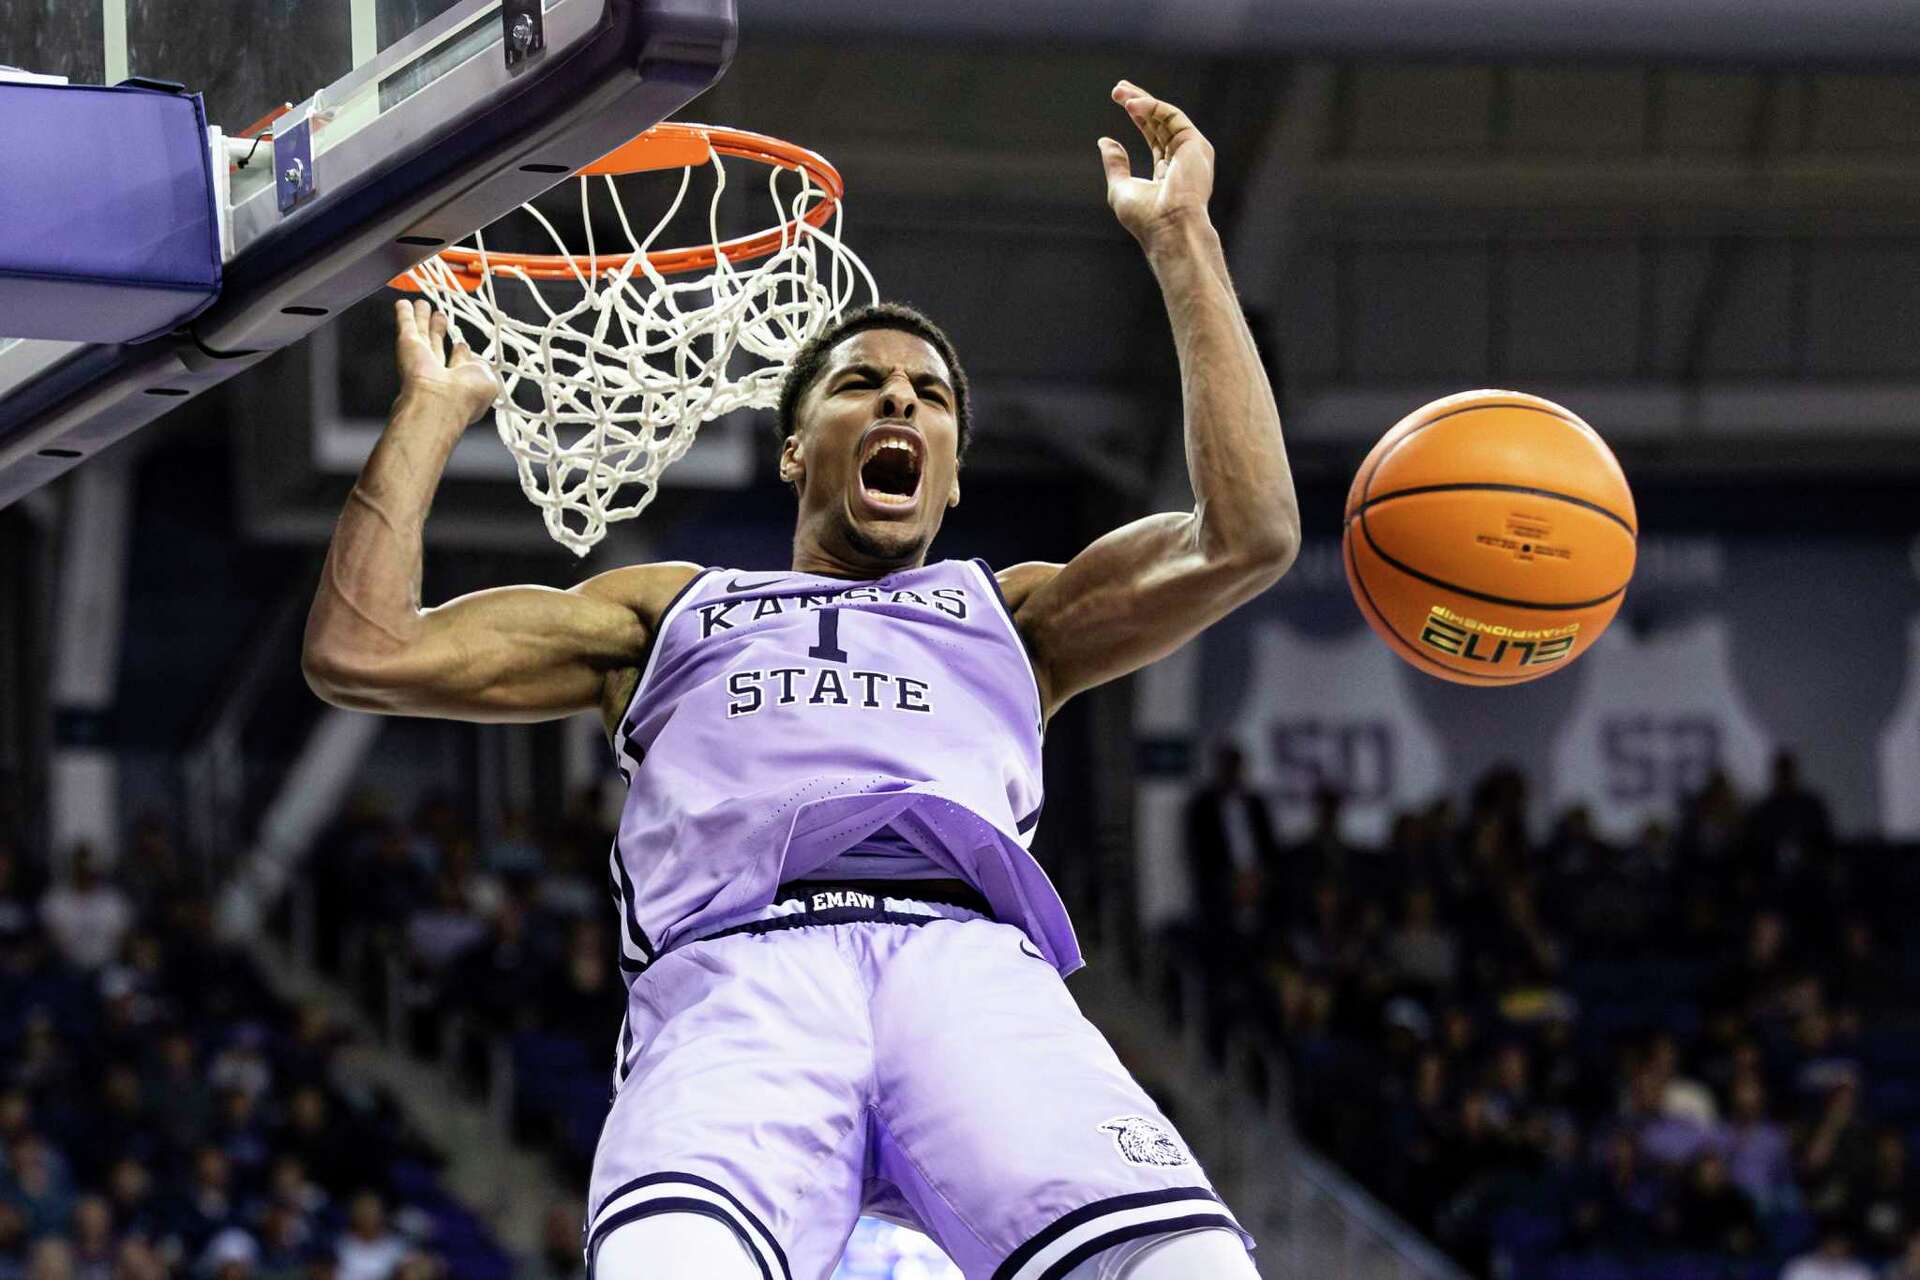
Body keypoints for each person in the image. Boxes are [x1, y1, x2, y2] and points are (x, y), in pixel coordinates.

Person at [302, 81, 1296, 1280]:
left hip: (968, 969)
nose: (901, 402)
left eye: (930, 397)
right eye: (862, 385)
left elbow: (1244, 537)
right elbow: (363, 650)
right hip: (738, 975)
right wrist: (431, 409)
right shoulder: (670, 608)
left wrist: (1184, 241)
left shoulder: (1014, 613)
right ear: (793, 448)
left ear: (951, 476)